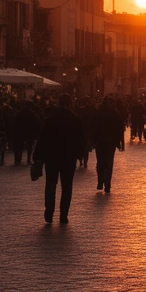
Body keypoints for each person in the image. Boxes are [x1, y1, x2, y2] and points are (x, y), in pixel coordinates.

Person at [35, 94, 85, 224]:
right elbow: (81, 139)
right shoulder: (75, 119)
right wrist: (79, 153)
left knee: (51, 184)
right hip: (68, 157)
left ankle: (49, 211)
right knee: (67, 186)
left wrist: (38, 157)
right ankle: (63, 215)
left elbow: (42, 139)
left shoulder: (50, 119)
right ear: (69, 104)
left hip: (51, 157)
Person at [94, 98, 124, 193]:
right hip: (111, 142)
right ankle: (107, 183)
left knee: (100, 162)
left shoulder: (98, 114)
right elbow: (120, 129)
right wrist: (121, 142)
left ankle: (100, 181)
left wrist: (91, 141)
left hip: (100, 142)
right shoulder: (116, 114)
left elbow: (92, 128)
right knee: (109, 162)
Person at [12, 100, 41, 165]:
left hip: (20, 132)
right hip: (29, 132)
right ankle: (28, 159)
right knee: (29, 145)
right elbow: (37, 122)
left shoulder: (20, 113)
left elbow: (15, 123)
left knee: (19, 146)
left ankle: (18, 160)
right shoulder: (32, 114)